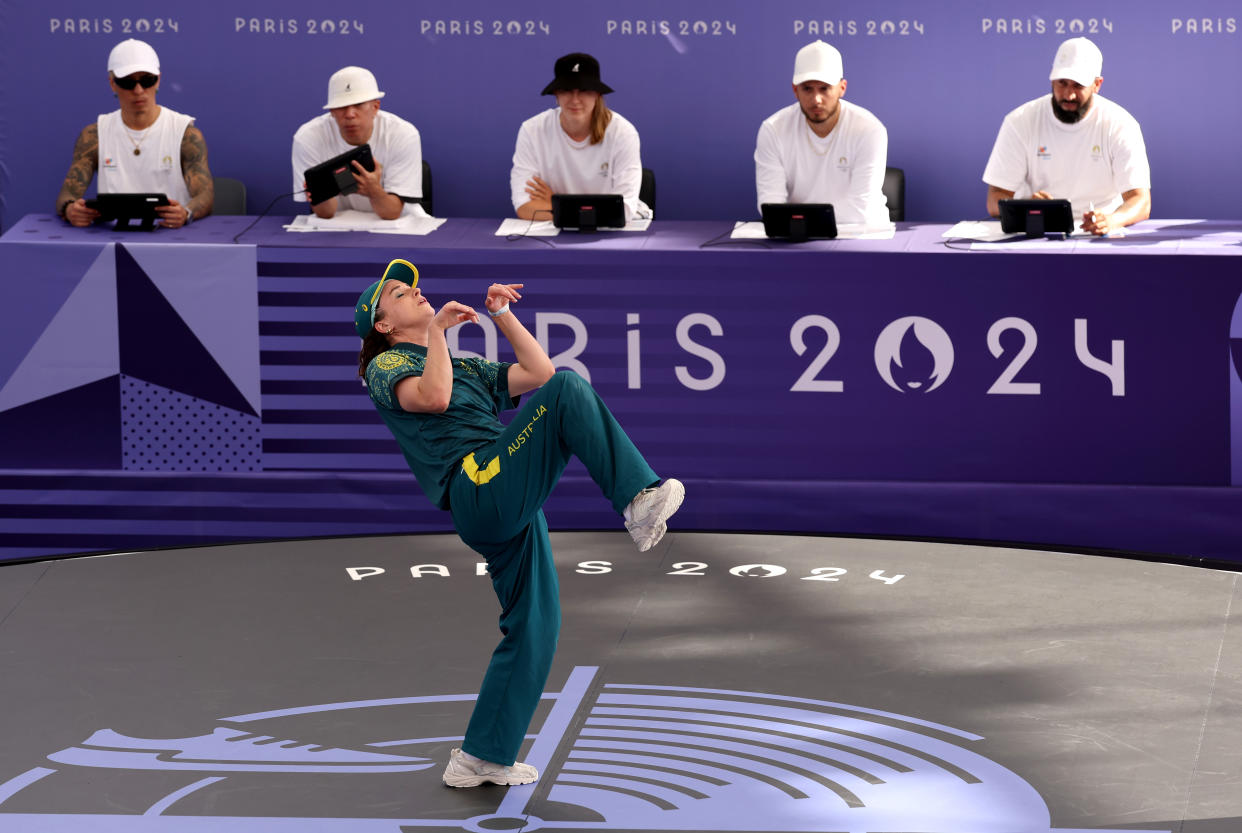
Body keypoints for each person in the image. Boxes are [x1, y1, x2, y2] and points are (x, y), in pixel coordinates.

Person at [354, 259, 684, 787]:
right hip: (478, 484)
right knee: (572, 393)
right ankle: (637, 499)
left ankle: (482, 755)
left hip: (504, 492)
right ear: (383, 324)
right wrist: (437, 332)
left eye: (415, 287)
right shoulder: (386, 367)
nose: (415, 293)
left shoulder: (462, 365)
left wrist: (502, 316)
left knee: (536, 626)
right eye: (398, 292)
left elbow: (538, 374)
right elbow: (434, 399)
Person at [982, 37, 1151, 236]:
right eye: (1062, 83)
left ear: (1097, 84)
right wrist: (1026, 207)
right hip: (1037, 232)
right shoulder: (1020, 121)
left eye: (1078, 86)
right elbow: (995, 199)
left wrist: (1111, 220)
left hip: (1100, 234)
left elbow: (1140, 200)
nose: (1068, 95)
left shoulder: (1121, 124)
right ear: (1052, 80)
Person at [56, 38, 213, 229]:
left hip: (170, 234)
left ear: (158, 80)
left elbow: (205, 194)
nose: (139, 90)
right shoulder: (94, 135)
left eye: (147, 80)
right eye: (128, 82)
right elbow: (68, 192)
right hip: (111, 237)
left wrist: (186, 212)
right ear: (113, 84)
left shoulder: (185, 133)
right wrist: (70, 209)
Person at [754, 40, 890, 228]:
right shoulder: (773, 129)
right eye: (807, 89)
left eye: (824, 88)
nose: (816, 99)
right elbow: (770, 204)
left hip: (862, 235)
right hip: (797, 238)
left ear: (842, 88)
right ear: (795, 90)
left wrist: (799, 220)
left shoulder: (869, 129)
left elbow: (861, 208)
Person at [511, 52, 650, 222]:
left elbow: (624, 210)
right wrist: (582, 211)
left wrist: (555, 202)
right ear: (556, 94)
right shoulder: (532, 130)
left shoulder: (623, 132)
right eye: (566, 90)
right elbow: (524, 207)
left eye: (584, 90)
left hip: (613, 234)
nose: (575, 100)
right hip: (555, 235)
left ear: (597, 95)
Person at [291, 66, 423, 220]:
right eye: (341, 107)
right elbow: (325, 213)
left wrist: (374, 191)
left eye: (359, 105)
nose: (350, 114)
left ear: (375, 107)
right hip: (338, 227)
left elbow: (392, 213)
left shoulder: (402, 134)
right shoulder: (308, 137)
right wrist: (319, 194)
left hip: (398, 225)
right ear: (332, 111)